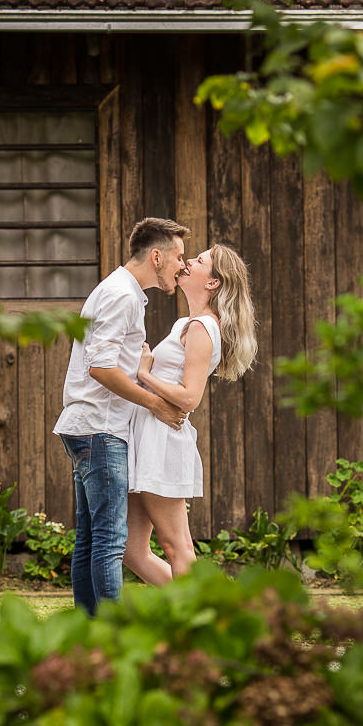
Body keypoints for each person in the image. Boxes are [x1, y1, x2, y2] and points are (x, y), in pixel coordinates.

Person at [53, 217, 190, 616]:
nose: (183, 266)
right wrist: (154, 403)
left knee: (91, 539)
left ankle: (88, 631)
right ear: (157, 256)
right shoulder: (122, 295)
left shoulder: (118, 290)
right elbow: (101, 367)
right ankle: (109, 634)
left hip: (87, 426)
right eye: (179, 257)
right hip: (100, 429)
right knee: (110, 540)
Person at [122, 244, 257, 585]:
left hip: (163, 440)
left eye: (198, 261)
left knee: (177, 546)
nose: (187, 263)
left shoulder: (203, 328)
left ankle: (202, 615)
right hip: (146, 435)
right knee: (133, 550)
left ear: (213, 282)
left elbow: (190, 397)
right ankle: (204, 606)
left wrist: (145, 374)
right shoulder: (186, 323)